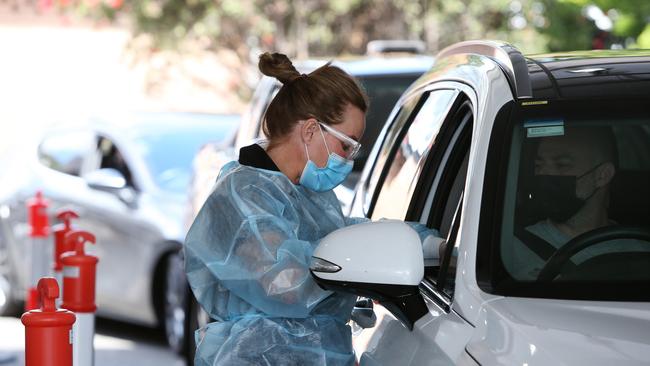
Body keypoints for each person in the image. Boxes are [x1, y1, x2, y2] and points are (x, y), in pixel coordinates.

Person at [184, 53, 434, 366]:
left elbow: (337, 238)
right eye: (348, 145)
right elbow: (286, 282)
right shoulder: (244, 195)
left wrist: (411, 238)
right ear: (311, 131)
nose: (350, 158)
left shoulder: (304, 193)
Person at [513, 126, 646, 278]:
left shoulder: (641, 251)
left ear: (602, 175)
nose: (545, 174)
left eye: (562, 165)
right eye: (538, 166)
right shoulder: (512, 250)